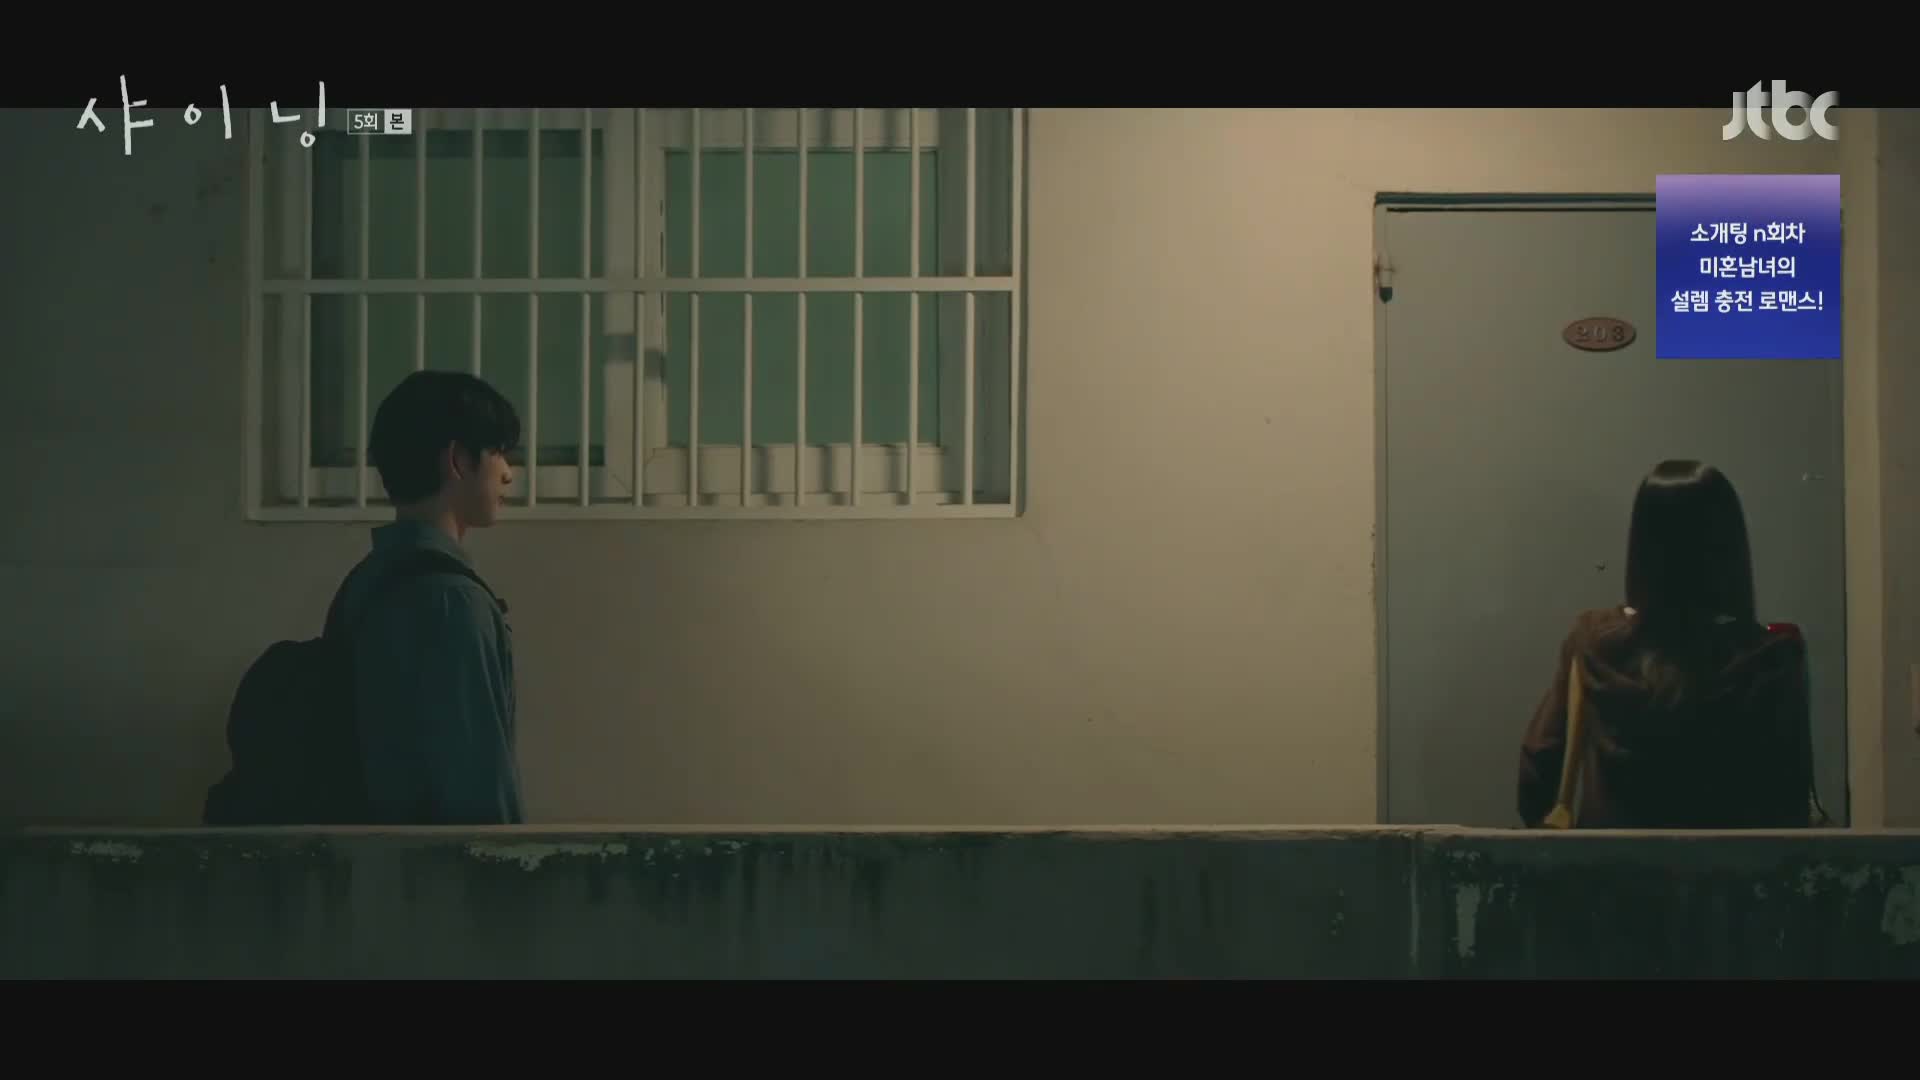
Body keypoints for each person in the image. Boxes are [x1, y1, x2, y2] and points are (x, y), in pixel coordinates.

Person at [1516, 460, 1816, 830]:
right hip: (1727, 865)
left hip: (1608, 863)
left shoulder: (1593, 642)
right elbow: (1788, 797)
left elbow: (1538, 768)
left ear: (1641, 547)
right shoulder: (1770, 658)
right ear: (1730, 548)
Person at [324, 370, 525, 824]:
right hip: (437, 865)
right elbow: (478, 790)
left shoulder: (366, 583)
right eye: (497, 452)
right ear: (457, 460)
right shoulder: (453, 603)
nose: (508, 473)